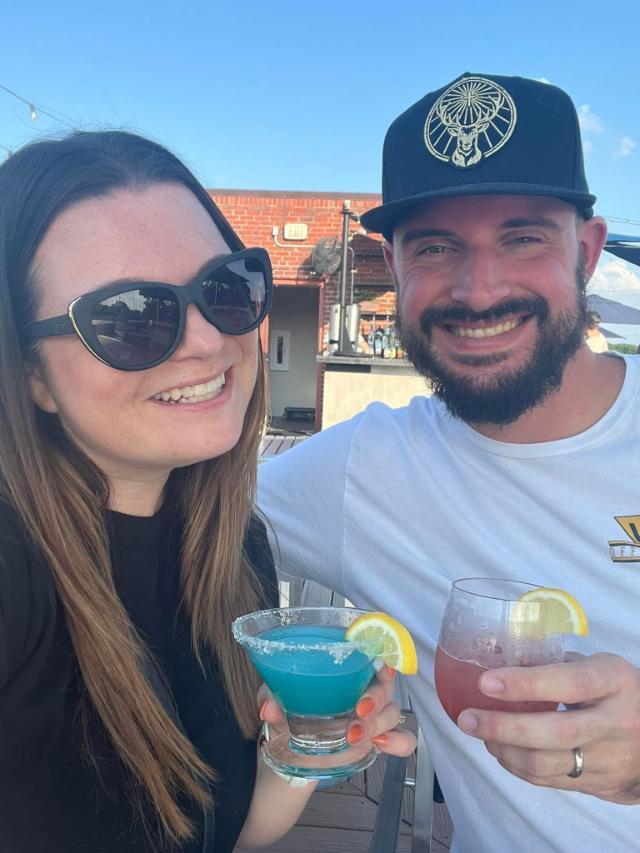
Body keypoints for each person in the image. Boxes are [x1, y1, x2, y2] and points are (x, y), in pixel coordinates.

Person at [0, 130, 414, 853]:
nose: (204, 340)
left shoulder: (232, 544)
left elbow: (229, 836)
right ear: (32, 373)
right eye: (130, 315)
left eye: (225, 290)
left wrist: (299, 748)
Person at [259, 73, 640, 852]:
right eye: (436, 247)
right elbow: (168, 500)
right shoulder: (368, 467)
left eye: (523, 236)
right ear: (395, 269)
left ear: (587, 253)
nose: (478, 288)